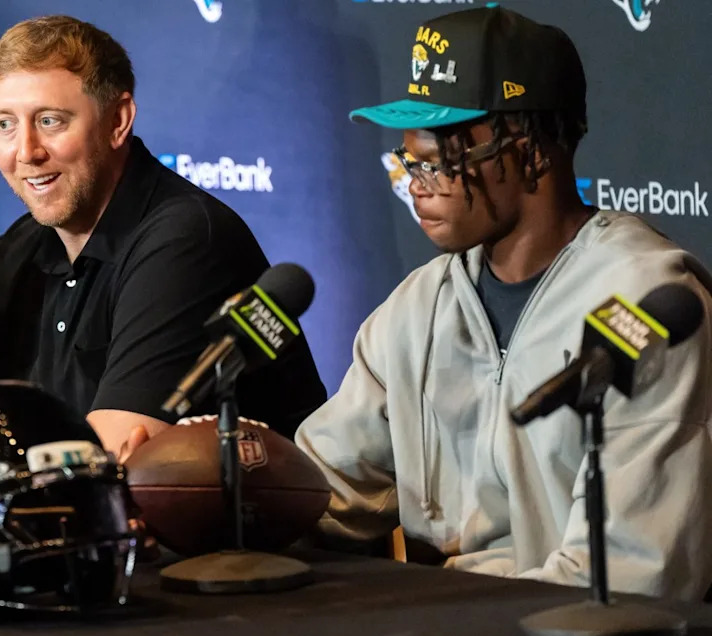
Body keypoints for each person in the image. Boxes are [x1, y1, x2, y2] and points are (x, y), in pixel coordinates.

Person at [296, 6, 712, 600]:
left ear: (532, 151)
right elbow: (322, 493)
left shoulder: (641, 303)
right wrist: (234, 489)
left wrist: (442, 618)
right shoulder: (418, 307)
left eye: (440, 160)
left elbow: (633, 572)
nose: (415, 184)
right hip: (443, 621)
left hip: (574, 625)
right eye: (410, 161)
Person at [0, 15, 326, 498]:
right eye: (5, 124)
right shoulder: (20, 249)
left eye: (50, 121)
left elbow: (93, 480)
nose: (26, 151)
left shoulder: (185, 240)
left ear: (117, 121)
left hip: (254, 542)